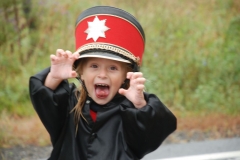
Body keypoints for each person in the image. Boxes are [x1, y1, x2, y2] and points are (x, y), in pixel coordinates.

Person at [29, 6, 177, 160]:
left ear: (125, 77)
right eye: (94, 66)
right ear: (81, 73)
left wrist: (140, 105)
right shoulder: (69, 106)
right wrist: (54, 78)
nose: (102, 74)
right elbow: (46, 102)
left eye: (113, 68)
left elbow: (151, 135)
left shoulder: (130, 114)